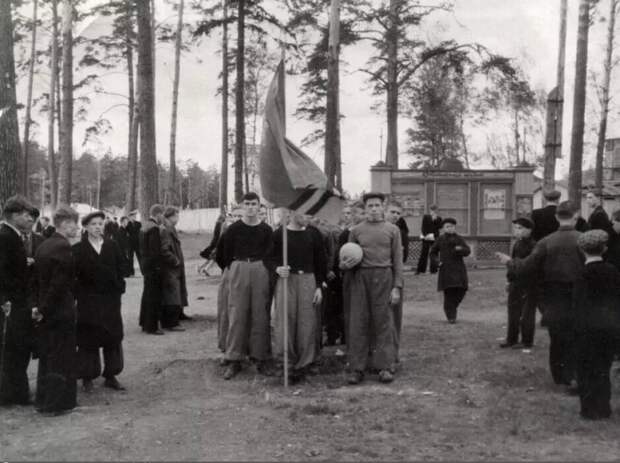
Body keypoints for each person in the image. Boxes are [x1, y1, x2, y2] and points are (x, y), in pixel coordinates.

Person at [497, 201, 584, 391]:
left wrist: (510, 262)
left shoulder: (546, 242)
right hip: (579, 294)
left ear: (556, 217)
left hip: (554, 294)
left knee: (557, 336)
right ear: (576, 216)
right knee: (576, 335)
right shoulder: (583, 239)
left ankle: (560, 376)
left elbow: (527, 265)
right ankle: (574, 375)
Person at [344, 192, 403, 385]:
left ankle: (385, 367)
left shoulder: (393, 230)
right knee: (359, 322)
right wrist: (344, 264)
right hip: (361, 278)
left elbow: (397, 261)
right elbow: (347, 258)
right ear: (365, 208)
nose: (374, 209)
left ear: (383, 208)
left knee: (384, 322)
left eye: (377, 205)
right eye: (370, 206)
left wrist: (396, 287)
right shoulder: (356, 230)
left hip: (384, 277)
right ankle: (357, 368)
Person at [215, 192, 273, 380]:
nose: (250, 207)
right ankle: (234, 359)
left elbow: (271, 254)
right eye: (247, 204)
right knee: (237, 314)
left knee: (260, 314)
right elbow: (222, 254)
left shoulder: (266, 230)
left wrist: (264, 269)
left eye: (254, 204)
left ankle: (259, 357)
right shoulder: (233, 229)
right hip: (239, 268)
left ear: (259, 207)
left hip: (259, 269)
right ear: (241, 206)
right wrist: (233, 268)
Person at [267, 211, 327, 383]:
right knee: (285, 322)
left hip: (308, 280)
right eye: (304, 213)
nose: (308, 216)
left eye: (310, 213)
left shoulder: (313, 234)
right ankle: (287, 364)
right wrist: (277, 268)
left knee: (307, 323)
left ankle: (306, 364)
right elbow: (269, 258)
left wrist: (318, 287)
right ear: (292, 213)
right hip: (286, 281)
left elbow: (320, 261)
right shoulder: (279, 234)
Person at [33, 205, 80, 415]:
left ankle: (43, 401)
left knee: (48, 356)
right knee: (62, 357)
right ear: (65, 223)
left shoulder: (44, 245)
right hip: (60, 310)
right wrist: (46, 308)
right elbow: (59, 285)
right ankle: (58, 404)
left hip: (47, 310)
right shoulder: (63, 247)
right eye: (74, 224)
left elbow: (38, 282)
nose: (77, 228)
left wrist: (40, 308)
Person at [73, 211, 127, 393]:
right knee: (88, 337)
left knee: (112, 336)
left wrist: (119, 286)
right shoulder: (78, 250)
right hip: (88, 301)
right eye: (94, 224)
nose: (98, 227)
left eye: (100, 224)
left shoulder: (112, 245)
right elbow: (75, 277)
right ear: (86, 227)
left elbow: (122, 267)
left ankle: (111, 375)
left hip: (110, 300)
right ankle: (87, 376)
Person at [573, 230, 620, 420]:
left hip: (586, 328)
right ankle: (603, 406)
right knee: (602, 367)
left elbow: (578, 304)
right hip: (608, 326)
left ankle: (589, 408)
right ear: (605, 248)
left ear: (582, 250)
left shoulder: (581, 274)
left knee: (585, 369)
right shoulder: (613, 271)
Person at [0, 196, 38, 406]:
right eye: (26, 215)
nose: (30, 219)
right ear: (14, 216)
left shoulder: (13, 235)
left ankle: (15, 393)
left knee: (17, 349)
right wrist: (4, 300)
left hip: (16, 301)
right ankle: (13, 395)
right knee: (14, 349)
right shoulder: (6, 236)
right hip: (13, 304)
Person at [500, 217, 537, 349]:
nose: (517, 231)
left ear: (529, 230)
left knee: (527, 314)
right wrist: (509, 280)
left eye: (520, 228)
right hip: (516, 282)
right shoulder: (517, 244)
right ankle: (511, 338)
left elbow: (529, 266)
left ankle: (527, 341)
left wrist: (509, 261)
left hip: (529, 283)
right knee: (513, 311)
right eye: (515, 228)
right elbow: (512, 265)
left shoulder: (534, 246)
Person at [333, 202, 366, 346]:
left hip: (367, 276)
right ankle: (349, 342)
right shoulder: (345, 234)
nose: (363, 216)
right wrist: (342, 265)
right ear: (352, 215)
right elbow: (338, 260)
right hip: (350, 278)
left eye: (364, 213)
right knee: (350, 311)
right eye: (360, 213)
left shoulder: (368, 233)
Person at [430, 218, 471, 323]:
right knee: (449, 293)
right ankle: (451, 316)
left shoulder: (459, 239)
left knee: (462, 290)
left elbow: (467, 251)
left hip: (459, 269)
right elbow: (433, 252)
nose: (450, 228)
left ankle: (453, 307)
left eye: (452, 226)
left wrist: (460, 249)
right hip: (446, 270)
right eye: (447, 227)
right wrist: (437, 262)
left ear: (455, 227)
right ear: (443, 228)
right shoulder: (440, 239)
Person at [160, 206, 189, 331]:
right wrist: (175, 261)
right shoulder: (166, 230)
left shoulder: (170, 228)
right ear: (171, 216)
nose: (178, 218)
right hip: (171, 268)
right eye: (176, 215)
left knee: (177, 291)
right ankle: (171, 322)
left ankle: (178, 315)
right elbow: (164, 249)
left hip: (175, 267)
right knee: (172, 293)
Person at [139, 204, 166, 335]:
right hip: (154, 267)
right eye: (162, 215)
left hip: (145, 265)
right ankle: (152, 326)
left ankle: (145, 322)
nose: (163, 218)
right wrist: (159, 266)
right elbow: (155, 251)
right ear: (158, 214)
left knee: (147, 294)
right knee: (154, 296)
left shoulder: (144, 226)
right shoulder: (154, 229)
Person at [416, 205, 442, 274]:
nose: (434, 211)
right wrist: (425, 235)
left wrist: (435, 219)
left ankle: (434, 270)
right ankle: (420, 270)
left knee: (434, 253)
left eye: (435, 210)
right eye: (432, 210)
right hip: (426, 237)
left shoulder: (439, 218)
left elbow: (440, 227)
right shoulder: (426, 217)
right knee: (424, 253)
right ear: (430, 210)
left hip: (435, 237)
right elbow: (423, 227)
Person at [126, 211, 142, 276]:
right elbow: (126, 233)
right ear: (129, 217)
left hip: (137, 243)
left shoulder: (138, 224)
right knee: (130, 258)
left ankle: (143, 271)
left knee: (140, 257)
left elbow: (140, 233)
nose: (133, 218)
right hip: (130, 243)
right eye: (132, 217)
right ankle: (131, 272)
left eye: (134, 216)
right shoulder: (127, 224)